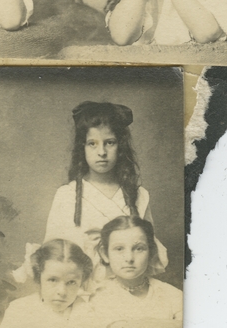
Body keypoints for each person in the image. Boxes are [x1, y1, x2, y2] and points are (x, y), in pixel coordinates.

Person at [44, 101, 167, 280]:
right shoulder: (67, 195)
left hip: (128, 287)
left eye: (109, 143)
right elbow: (52, 253)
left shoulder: (139, 196)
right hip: (82, 288)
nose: (101, 152)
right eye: (92, 144)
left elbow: (147, 251)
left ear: (121, 146)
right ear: (82, 148)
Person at [91, 216, 182, 327]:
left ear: (151, 252)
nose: (129, 258)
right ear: (105, 254)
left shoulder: (173, 296)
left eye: (139, 248)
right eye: (119, 249)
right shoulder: (94, 298)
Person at [0, 239, 94, 328]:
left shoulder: (89, 313)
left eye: (71, 282)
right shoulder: (19, 310)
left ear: (81, 281)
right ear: (39, 276)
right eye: (52, 280)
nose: (62, 291)